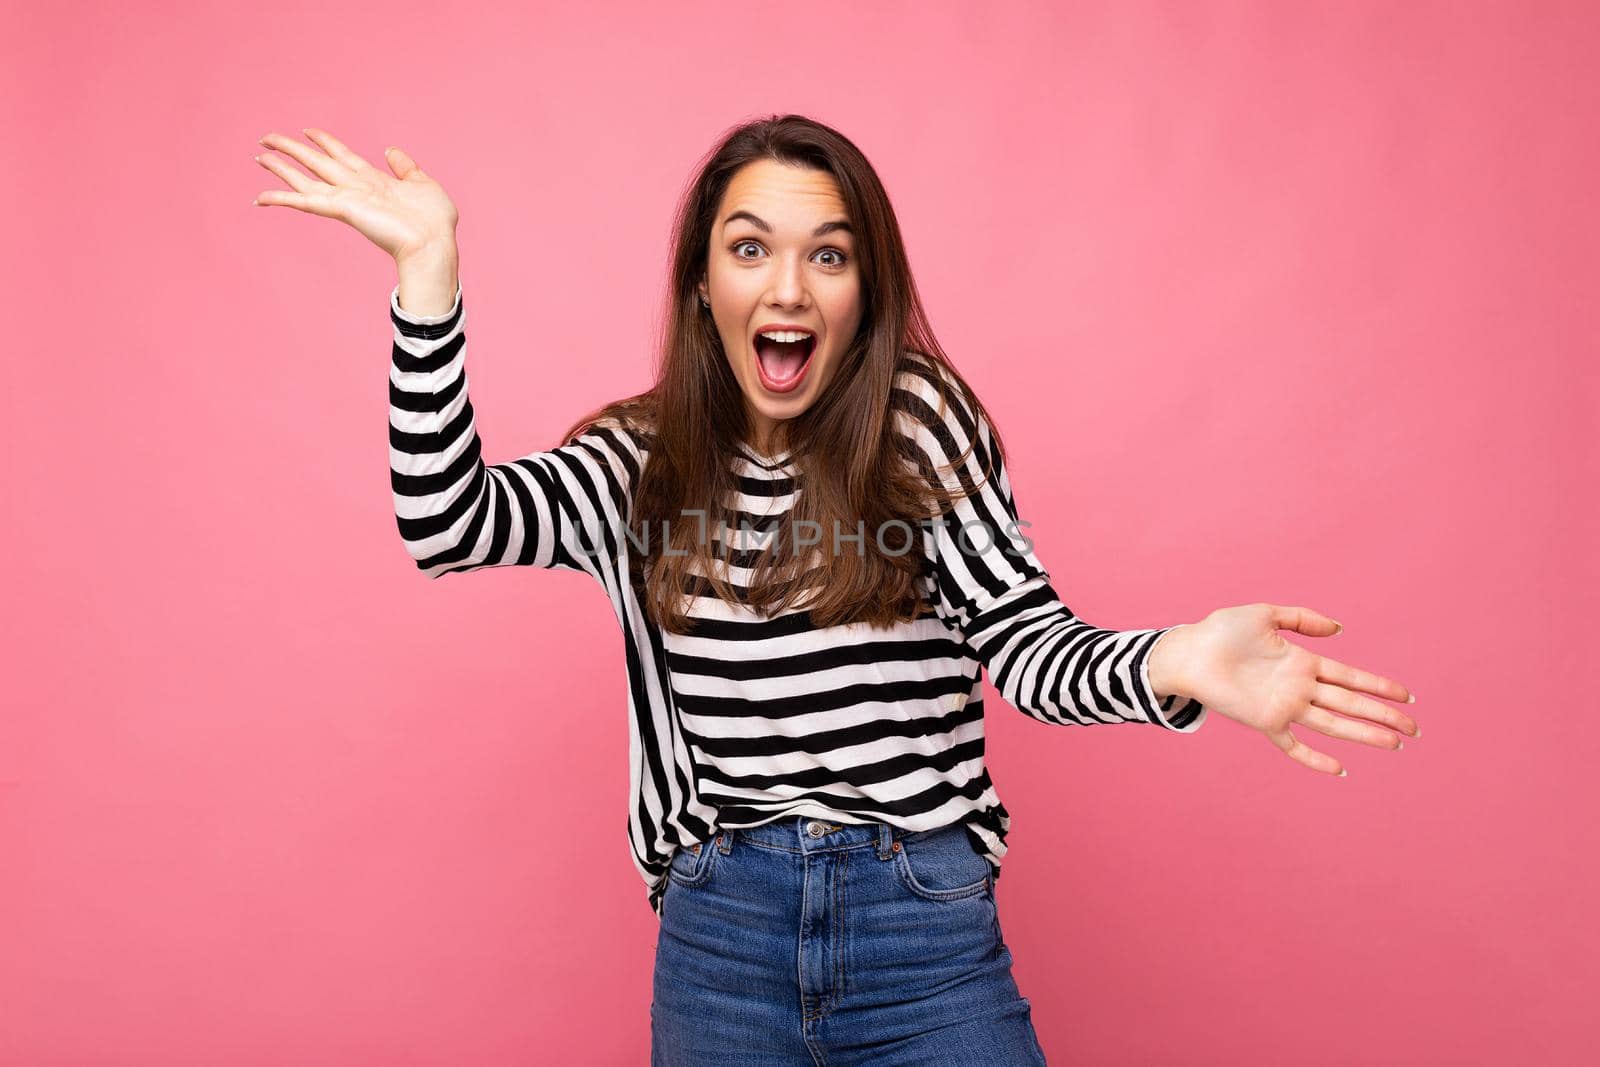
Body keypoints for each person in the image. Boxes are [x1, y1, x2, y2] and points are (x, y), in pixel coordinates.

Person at [253, 114, 1419, 1065]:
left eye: (829, 252)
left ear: (864, 285)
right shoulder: (637, 463)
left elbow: (1023, 643)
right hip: (721, 933)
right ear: (702, 281)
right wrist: (428, 279)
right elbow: (450, 523)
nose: (790, 285)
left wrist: (1176, 660)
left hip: (922, 918)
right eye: (750, 247)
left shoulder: (918, 424)